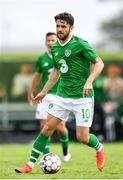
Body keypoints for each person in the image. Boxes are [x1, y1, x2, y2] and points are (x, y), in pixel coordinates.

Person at [15, 12, 105, 173]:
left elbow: (99, 64)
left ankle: (99, 147)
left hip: (82, 98)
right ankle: (29, 165)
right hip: (62, 96)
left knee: (82, 138)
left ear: (71, 27)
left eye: (64, 26)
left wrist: (89, 81)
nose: (60, 29)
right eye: (58, 26)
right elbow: (55, 74)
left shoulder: (81, 44)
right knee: (47, 128)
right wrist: (43, 92)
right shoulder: (55, 47)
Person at [28, 32, 71, 161]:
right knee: (43, 126)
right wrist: (31, 92)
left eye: (53, 40)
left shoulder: (64, 56)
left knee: (60, 127)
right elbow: (36, 77)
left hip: (60, 96)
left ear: (57, 41)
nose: (51, 42)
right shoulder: (42, 59)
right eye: (48, 40)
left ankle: (65, 150)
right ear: (45, 42)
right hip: (45, 95)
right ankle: (47, 157)